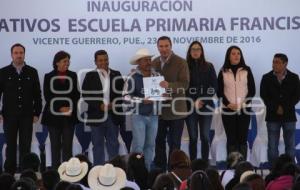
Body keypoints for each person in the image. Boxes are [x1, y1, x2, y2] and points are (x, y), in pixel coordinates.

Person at [0, 43, 42, 174]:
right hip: (9, 115)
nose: (19, 55)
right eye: (16, 53)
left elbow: (37, 95)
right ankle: (9, 174)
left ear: (24, 54)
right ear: (11, 54)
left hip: (27, 116)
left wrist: (37, 113)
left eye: (21, 53)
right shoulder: (3, 72)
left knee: (25, 145)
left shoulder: (32, 71)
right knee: (10, 146)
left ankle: (26, 174)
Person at [152, 36, 190, 171]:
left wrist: (169, 86)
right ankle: (160, 170)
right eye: (161, 46)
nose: (164, 49)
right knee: (158, 141)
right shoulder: (154, 62)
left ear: (171, 46)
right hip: (160, 111)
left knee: (175, 144)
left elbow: (185, 85)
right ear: (157, 47)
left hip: (176, 111)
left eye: (166, 46)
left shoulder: (181, 62)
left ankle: (174, 172)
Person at [81, 50, 124, 165]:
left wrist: (115, 103)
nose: (103, 62)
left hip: (113, 114)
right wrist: (99, 105)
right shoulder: (90, 76)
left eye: (105, 59)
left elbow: (122, 93)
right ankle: (98, 172)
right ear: (95, 62)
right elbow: (86, 95)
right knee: (97, 145)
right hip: (96, 115)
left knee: (113, 144)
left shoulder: (117, 74)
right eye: (100, 60)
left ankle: (114, 171)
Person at [41, 51, 80, 169]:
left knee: (68, 147)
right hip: (53, 117)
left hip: (69, 116)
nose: (67, 63)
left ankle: (68, 174)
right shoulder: (48, 76)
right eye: (64, 61)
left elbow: (76, 94)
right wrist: (60, 108)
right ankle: (55, 174)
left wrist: (69, 107)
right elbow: (48, 96)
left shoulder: (73, 75)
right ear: (57, 62)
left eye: (68, 61)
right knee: (55, 146)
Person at [260, 53, 300, 164]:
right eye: (273, 62)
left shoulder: (294, 77)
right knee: (272, 146)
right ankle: (274, 171)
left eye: (277, 62)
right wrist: (276, 107)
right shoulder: (266, 77)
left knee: (290, 147)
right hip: (273, 116)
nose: (274, 64)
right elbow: (264, 96)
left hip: (289, 116)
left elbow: (296, 96)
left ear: (285, 64)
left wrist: (284, 108)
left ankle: (290, 172)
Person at [123, 48, 159, 170]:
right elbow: (126, 96)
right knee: (138, 146)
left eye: (149, 59)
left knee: (150, 145)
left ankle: (147, 171)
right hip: (138, 115)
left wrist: (164, 95)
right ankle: (135, 172)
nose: (149, 62)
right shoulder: (132, 77)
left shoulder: (157, 75)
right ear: (139, 62)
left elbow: (160, 94)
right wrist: (142, 100)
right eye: (145, 60)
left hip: (154, 115)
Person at [217, 45, 255, 159]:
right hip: (228, 110)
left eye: (238, 53)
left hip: (244, 109)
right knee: (231, 139)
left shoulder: (247, 70)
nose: (236, 56)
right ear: (228, 56)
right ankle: (232, 167)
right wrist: (229, 104)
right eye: (233, 53)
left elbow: (252, 90)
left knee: (242, 139)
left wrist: (242, 104)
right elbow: (219, 91)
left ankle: (242, 167)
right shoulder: (223, 71)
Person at [185, 41, 217, 161]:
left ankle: (204, 164)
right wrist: (193, 101)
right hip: (190, 106)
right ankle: (192, 165)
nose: (196, 51)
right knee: (193, 138)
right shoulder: (184, 66)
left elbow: (214, 86)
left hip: (206, 106)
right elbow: (184, 86)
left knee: (205, 137)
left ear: (201, 51)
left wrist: (201, 99)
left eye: (198, 49)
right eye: (193, 49)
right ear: (190, 52)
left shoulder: (209, 66)